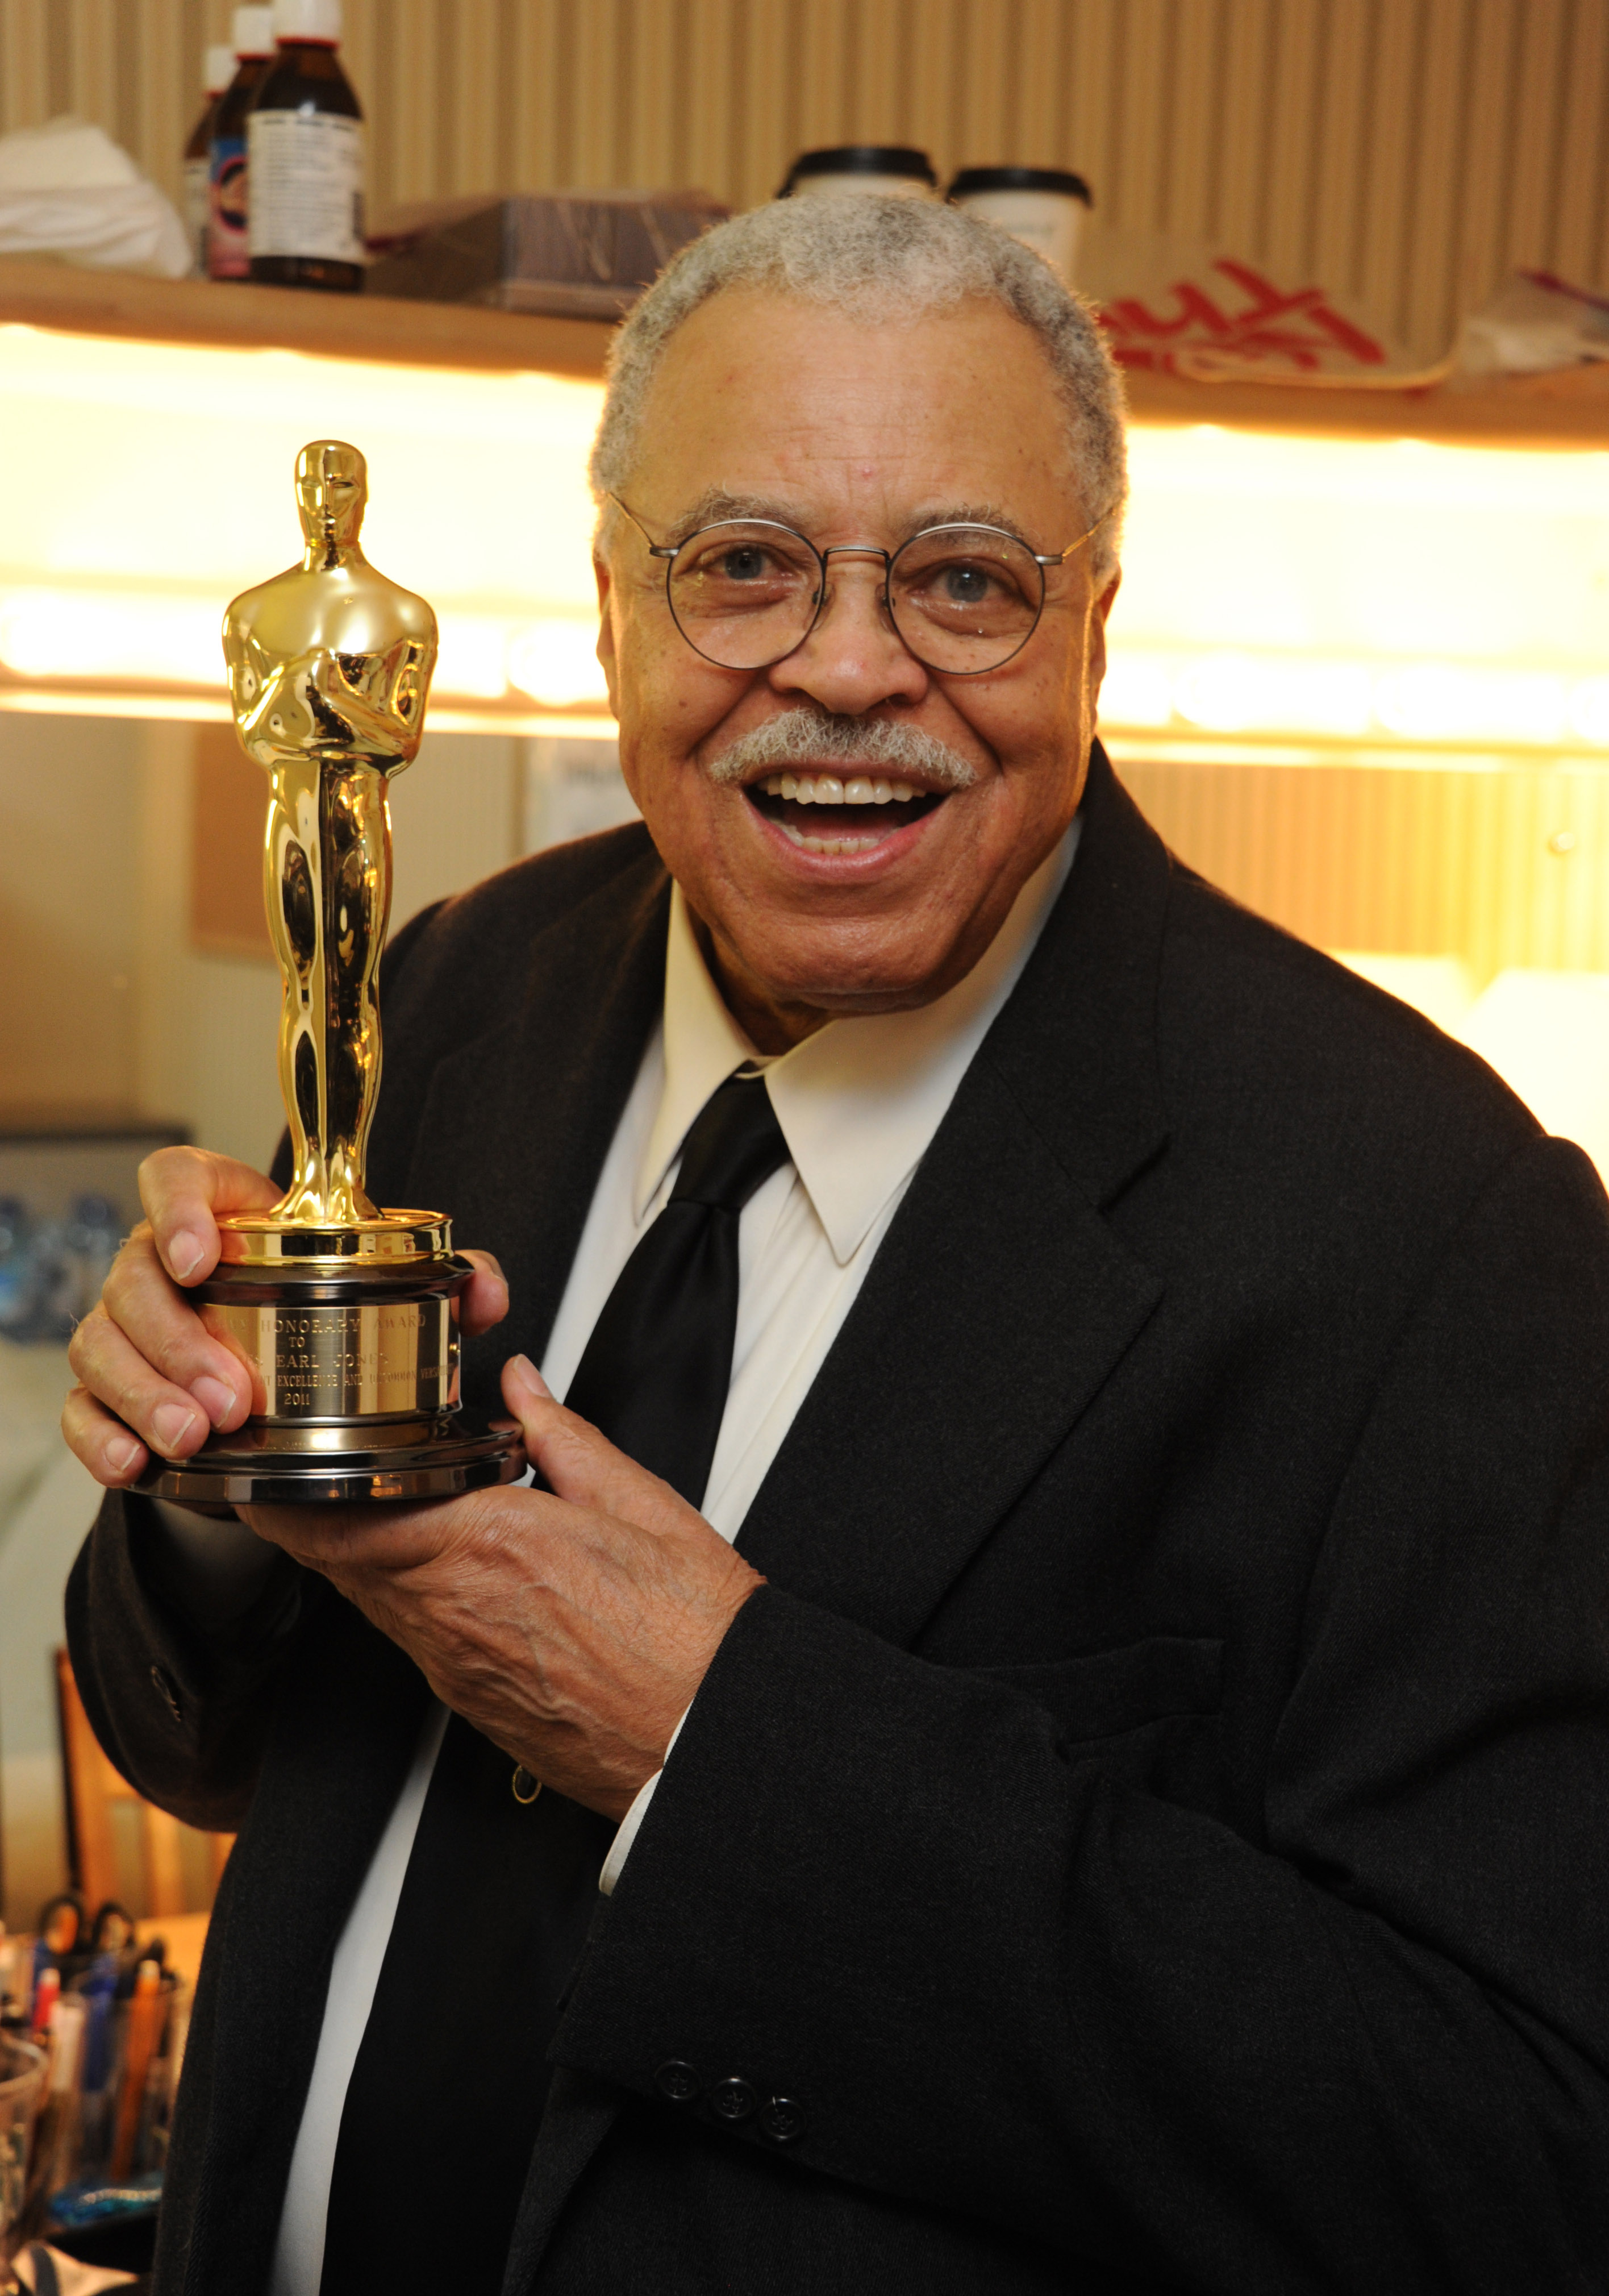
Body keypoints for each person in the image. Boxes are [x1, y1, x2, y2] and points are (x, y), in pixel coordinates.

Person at [61, 196, 1609, 2295]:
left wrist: (714, 1746)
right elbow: (206, 1738)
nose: (853, 668)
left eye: (965, 581)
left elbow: (1507, 2159)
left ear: (1096, 622)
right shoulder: (455, 992)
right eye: (746, 568)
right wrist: (222, 1465)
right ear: (615, 606)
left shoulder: (1440, 1236)